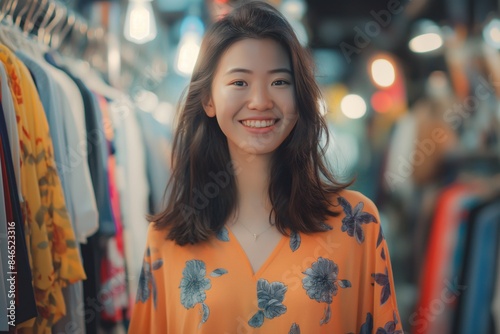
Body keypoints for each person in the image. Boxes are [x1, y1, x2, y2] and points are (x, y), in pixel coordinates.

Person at [129, 1, 403, 333]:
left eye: (279, 82)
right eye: (239, 83)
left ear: (299, 97)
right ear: (208, 100)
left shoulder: (355, 224)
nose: (260, 100)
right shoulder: (167, 239)